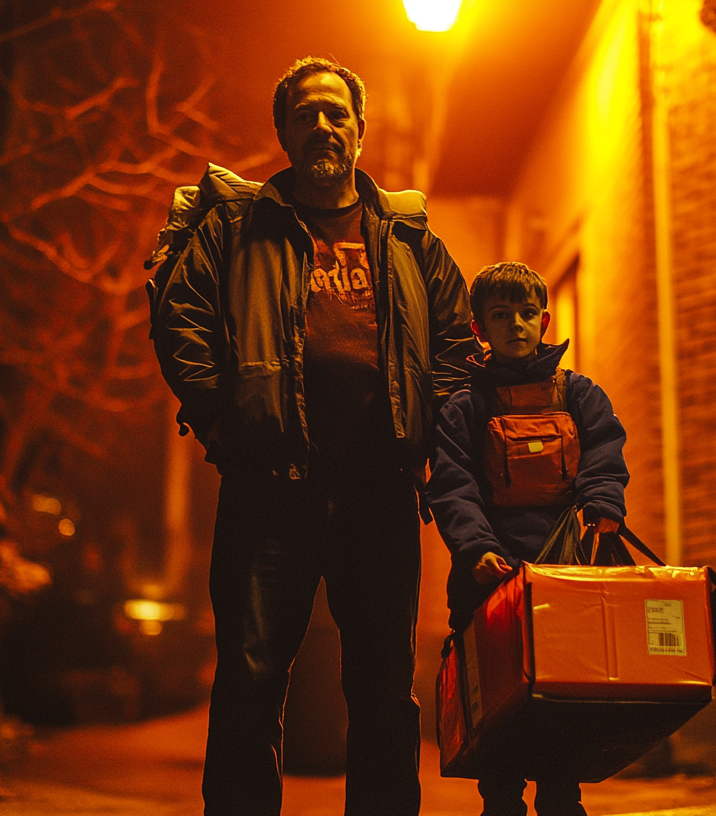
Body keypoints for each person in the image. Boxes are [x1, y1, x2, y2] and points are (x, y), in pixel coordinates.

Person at [152, 56, 474, 816]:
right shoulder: (237, 225)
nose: (323, 126)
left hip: (381, 496)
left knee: (383, 691)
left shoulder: (407, 234)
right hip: (269, 492)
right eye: (306, 114)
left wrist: (440, 436)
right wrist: (221, 419)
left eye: (337, 113)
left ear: (360, 131)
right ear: (284, 132)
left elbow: (457, 339)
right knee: (248, 683)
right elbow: (181, 317)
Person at [425, 262, 629, 816]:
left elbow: (605, 455)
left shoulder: (579, 394)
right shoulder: (465, 408)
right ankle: (501, 803)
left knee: (563, 697)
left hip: (562, 577)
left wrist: (604, 506)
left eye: (525, 313)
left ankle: (562, 799)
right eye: (500, 315)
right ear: (479, 329)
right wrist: (475, 550)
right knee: (497, 704)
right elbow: (453, 483)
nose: (516, 324)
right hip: (488, 579)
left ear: (543, 318)